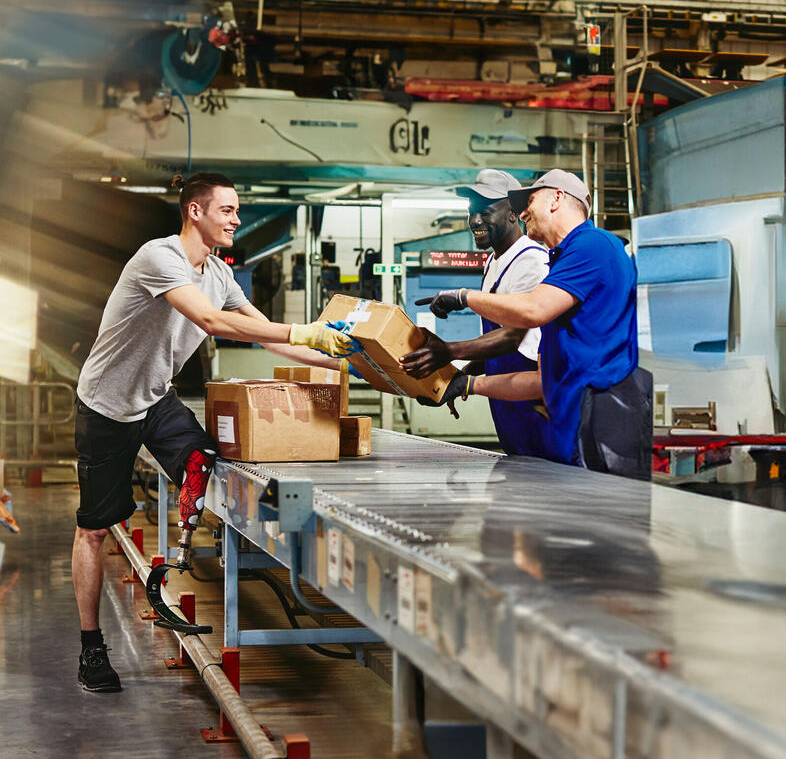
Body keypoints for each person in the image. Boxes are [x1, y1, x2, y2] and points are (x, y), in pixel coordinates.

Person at [72, 172, 354, 692]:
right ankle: (92, 647)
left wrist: (348, 361)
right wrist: (302, 330)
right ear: (195, 212)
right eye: (228, 210)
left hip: (156, 397)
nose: (237, 219)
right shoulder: (160, 258)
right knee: (95, 526)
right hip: (107, 405)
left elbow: (274, 340)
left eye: (238, 209)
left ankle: (183, 545)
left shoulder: (220, 275)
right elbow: (212, 321)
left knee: (204, 458)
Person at [416, 169, 651, 480]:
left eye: (530, 201)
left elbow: (532, 310)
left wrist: (462, 297)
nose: (523, 212)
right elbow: (543, 379)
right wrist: (468, 383)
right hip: (575, 424)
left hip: (603, 422)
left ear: (557, 198)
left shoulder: (594, 245)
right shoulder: (561, 261)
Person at [399, 169, 550, 456]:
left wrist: (449, 351)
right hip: (503, 398)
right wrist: (458, 380)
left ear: (512, 213)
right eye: (472, 212)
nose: (475, 221)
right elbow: (494, 345)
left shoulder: (531, 260)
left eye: (485, 211)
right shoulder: (493, 261)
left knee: (544, 485)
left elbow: (512, 337)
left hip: (529, 397)